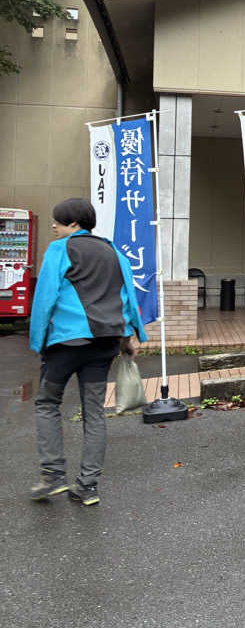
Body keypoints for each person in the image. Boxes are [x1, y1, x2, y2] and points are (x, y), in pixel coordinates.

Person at [29, 198, 147, 506]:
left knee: (47, 403)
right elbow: (128, 295)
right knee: (94, 413)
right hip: (105, 342)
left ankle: (53, 476)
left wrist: (38, 341)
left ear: (73, 224)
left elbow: (44, 298)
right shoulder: (113, 251)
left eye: (58, 221)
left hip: (68, 343)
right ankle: (87, 487)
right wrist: (131, 336)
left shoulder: (60, 249)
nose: (53, 225)